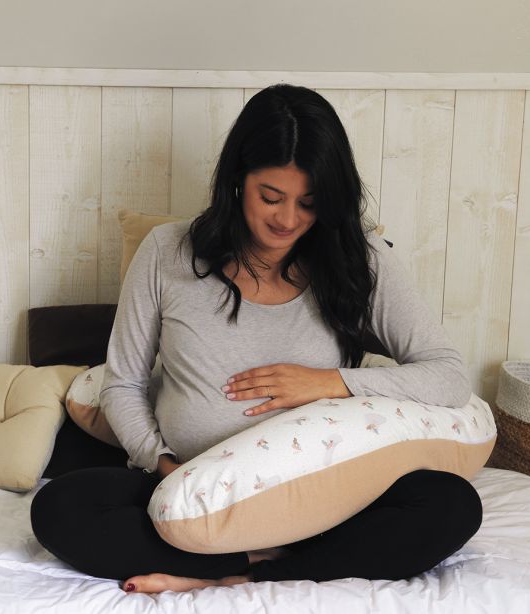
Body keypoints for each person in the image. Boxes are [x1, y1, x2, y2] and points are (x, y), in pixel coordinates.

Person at [30, 83, 482, 594]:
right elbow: (123, 384)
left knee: (451, 504)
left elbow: (447, 376)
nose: (288, 220)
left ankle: (240, 572)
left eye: (309, 203)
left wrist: (329, 383)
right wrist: (164, 465)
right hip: (190, 493)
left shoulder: (362, 261)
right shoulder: (166, 252)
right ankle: (272, 559)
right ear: (237, 181)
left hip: (324, 501)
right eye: (271, 197)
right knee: (60, 508)